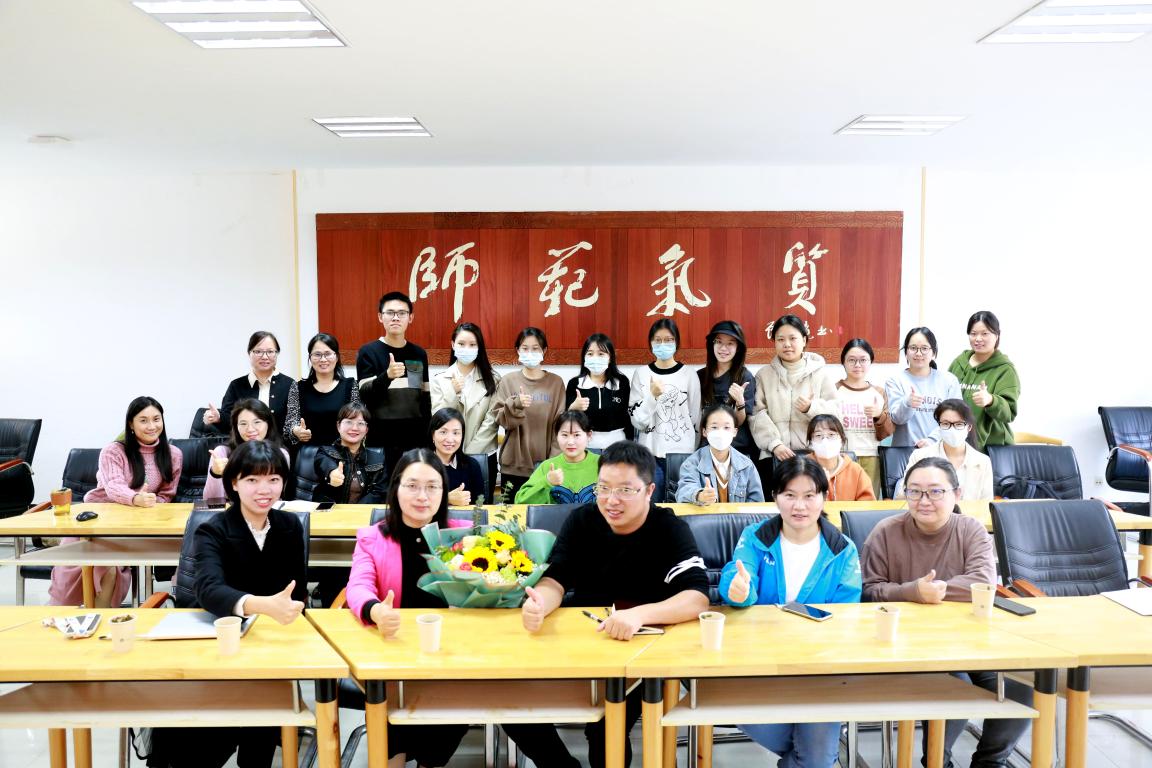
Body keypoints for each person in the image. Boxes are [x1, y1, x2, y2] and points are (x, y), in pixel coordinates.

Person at [520, 441, 710, 768]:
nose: (611, 500)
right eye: (603, 488)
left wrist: (640, 615)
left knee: (607, 727)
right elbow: (555, 579)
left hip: (641, 654)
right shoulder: (582, 521)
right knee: (515, 704)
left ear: (649, 490)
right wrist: (540, 604)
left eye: (625, 490)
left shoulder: (668, 528)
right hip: (585, 645)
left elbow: (697, 596)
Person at [861, 457, 1031, 768]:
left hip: (971, 643)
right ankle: (938, 761)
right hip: (909, 646)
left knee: (1023, 687)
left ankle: (991, 762)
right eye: (914, 491)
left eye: (935, 491)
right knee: (956, 687)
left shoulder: (971, 530)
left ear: (957, 493)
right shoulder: (885, 532)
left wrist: (935, 590)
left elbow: (982, 582)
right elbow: (869, 591)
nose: (924, 500)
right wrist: (913, 591)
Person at [147, 440, 308, 768]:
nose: (264, 489)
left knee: (260, 736)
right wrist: (261, 605)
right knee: (208, 745)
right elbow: (208, 589)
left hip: (271, 646)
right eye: (252, 480)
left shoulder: (290, 526)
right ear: (234, 482)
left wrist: (287, 610)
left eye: (273, 479)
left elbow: (296, 591)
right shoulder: (213, 529)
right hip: (220, 643)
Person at [718, 456, 861, 768]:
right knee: (814, 758)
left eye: (809, 495)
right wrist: (737, 590)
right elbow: (738, 575)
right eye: (790, 495)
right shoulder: (756, 537)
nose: (799, 506)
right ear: (775, 497)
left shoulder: (842, 549)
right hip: (757, 664)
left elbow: (847, 615)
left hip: (819, 670)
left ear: (824, 497)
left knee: (815, 759)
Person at [344, 448, 471, 767]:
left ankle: (430, 758)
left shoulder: (463, 536)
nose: (422, 496)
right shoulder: (372, 538)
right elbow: (358, 586)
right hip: (394, 651)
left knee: (453, 706)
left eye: (432, 487)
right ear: (396, 488)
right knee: (394, 705)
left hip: (452, 654)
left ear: (443, 491)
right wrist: (375, 610)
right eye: (412, 486)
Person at [49, 395, 182, 607]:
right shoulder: (113, 451)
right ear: (131, 424)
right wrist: (136, 498)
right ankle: (70, 616)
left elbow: (167, 494)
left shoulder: (173, 454)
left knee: (109, 568)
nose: (152, 426)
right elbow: (113, 487)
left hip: (137, 523)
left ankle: (99, 618)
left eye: (156, 419)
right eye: (143, 420)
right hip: (98, 518)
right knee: (99, 567)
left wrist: (150, 505)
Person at [356, 292, 431, 480]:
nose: (396, 317)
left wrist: (427, 443)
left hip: (414, 441)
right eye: (390, 312)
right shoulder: (368, 352)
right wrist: (387, 376)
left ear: (410, 317)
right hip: (380, 441)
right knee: (383, 492)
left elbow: (424, 401)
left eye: (402, 313)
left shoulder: (418, 353)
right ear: (380, 317)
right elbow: (364, 394)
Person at [629, 319, 702, 502]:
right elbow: (637, 421)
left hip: (683, 456)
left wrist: (691, 451)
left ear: (677, 342)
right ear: (650, 343)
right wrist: (652, 396)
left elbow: (695, 418)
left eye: (669, 340)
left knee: (682, 507)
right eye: (658, 340)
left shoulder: (689, 374)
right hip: (650, 456)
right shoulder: (641, 374)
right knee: (651, 508)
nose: (663, 344)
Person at [750, 314, 838, 462]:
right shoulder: (764, 375)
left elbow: (836, 412)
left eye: (792, 338)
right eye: (780, 339)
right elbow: (756, 414)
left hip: (812, 455)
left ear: (804, 340)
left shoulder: (820, 374)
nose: (787, 344)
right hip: (774, 455)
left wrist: (811, 408)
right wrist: (774, 444)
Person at [490, 326, 566, 494]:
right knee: (511, 510)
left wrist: (553, 462)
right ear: (518, 350)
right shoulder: (508, 381)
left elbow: (560, 425)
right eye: (525, 348)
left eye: (535, 348)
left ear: (544, 351)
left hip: (546, 466)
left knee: (543, 510)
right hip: (513, 466)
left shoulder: (556, 383)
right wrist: (516, 404)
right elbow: (501, 420)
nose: (529, 353)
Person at [430, 321, 500, 498]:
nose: (466, 349)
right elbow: (438, 418)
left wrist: (468, 453)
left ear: (479, 347)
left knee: (481, 506)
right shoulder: (440, 380)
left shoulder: (493, 379)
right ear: (453, 345)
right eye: (461, 344)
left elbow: (492, 420)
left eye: (472, 344)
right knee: (447, 505)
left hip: (483, 454)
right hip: (448, 455)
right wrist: (453, 392)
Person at [201, 331, 297, 440]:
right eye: (258, 351)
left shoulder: (290, 385)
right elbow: (230, 423)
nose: (264, 357)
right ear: (249, 353)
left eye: (270, 351)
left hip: (278, 446)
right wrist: (219, 418)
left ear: (277, 353)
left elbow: (293, 423)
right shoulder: (236, 385)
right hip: (245, 446)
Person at [947, 311, 1020, 449]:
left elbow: (1009, 413)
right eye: (973, 333)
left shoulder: (1005, 370)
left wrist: (991, 401)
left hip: (992, 448)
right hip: (957, 444)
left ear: (996, 335)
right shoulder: (958, 363)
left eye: (985, 333)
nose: (978, 339)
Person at [896, 400, 994, 501]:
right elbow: (903, 495)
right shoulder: (919, 456)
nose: (952, 429)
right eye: (946, 424)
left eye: (959, 424)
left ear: (969, 427)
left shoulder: (983, 461)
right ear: (939, 426)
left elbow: (986, 503)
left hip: (969, 511)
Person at [834, 338, 893, 498]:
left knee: (868, 501)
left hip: (871, 457)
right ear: (843, 362)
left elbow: (887, 432)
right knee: (842, 500)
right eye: (852, 360)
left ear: (870, 361)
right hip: (841, 455)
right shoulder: (834, 390)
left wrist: (879, 416)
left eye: (863, 360)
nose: (857, 365)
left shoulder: (879, 392)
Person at [885, 327, 961, 448]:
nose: (919, 353)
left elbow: (956, 418)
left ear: (933, 352)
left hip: (940, 449)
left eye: (924, 348)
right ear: (906, 352)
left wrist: (932, 440)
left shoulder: (949, 381)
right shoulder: (895, 381)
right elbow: (896, 419)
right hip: (905, 451)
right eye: (913, 348)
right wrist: (907, 403)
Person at [203, 398, 290, 501]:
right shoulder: (222, 453)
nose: (250, 429)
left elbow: (277, 497)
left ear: (268, 424)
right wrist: (215, 473)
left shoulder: (280, 454)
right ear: (236, 427)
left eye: (257, 422)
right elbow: (210, 501)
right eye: (243, 424)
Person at [676, 404, 764, 504]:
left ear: (735, 432)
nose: (720, 433)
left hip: (737, 515)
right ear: (704, 431)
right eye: (714, 427)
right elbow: (683, 491)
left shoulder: (747, 465)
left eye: (726, 427)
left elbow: (757, 502)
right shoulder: (692, 463)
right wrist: (699, 495)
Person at [285, 332, 361, 448]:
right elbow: (290, 423)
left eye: (328, 354)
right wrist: (296, 431)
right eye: (317, 354)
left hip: (342, 452)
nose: (323, 359)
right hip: (309, 453)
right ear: (310, 358)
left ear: (336, 357)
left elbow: (357, 422)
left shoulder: (350, 386)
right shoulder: (298, 387)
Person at [698, 320, 757, 458]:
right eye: (719, 342)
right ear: (712, 345)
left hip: (736, 449)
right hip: (706, 448)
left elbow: (739, 422)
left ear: (738, 348)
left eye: (730, 343)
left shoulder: (745, 377)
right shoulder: (700, 377)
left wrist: (740, 402)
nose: (723, 348)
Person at [514, 411, 600, 504]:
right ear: (556, 435)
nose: (570, 442)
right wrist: (547, 481)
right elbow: (520, 501)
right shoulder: (547, 466)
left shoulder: (602, 463)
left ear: (589, 435)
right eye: (564, 435)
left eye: (577, 435)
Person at [566, 333, 633, 451]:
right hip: (586, 448)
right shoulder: (575, 384)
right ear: (584, 357)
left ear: (610, 357)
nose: (595, 358)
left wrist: (630, 445)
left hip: (617, 448)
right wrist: (573, 408)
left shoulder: (622, 382)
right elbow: (566, 422)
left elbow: (628, 417)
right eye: (590, 354)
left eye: (601, 354)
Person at [313, 403, 388, 505]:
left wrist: (355, 511)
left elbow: (379, 493)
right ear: (338, 426)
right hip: (329, 512)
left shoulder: (378, 459)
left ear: (366, 429)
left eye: (360, 423)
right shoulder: (325, 452)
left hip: (363, 513)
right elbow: (323, 464)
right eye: (349, 422)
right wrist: (332, 473)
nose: (354, 428)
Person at [806, 414, 876, 501]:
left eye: (831, 435)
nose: (825, 441)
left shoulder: (856, 471)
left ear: (842, 440)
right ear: (810, 443)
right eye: (818, 435)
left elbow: (868, 504)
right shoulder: (801, 470)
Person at [429, 407, 486, 506]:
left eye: (456, 433)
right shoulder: (420, 466)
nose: (450, 439)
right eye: (443, 432)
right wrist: (447, 499)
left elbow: (480, 505)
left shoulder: (472, 465)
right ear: (433, 435)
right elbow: (411, 502)